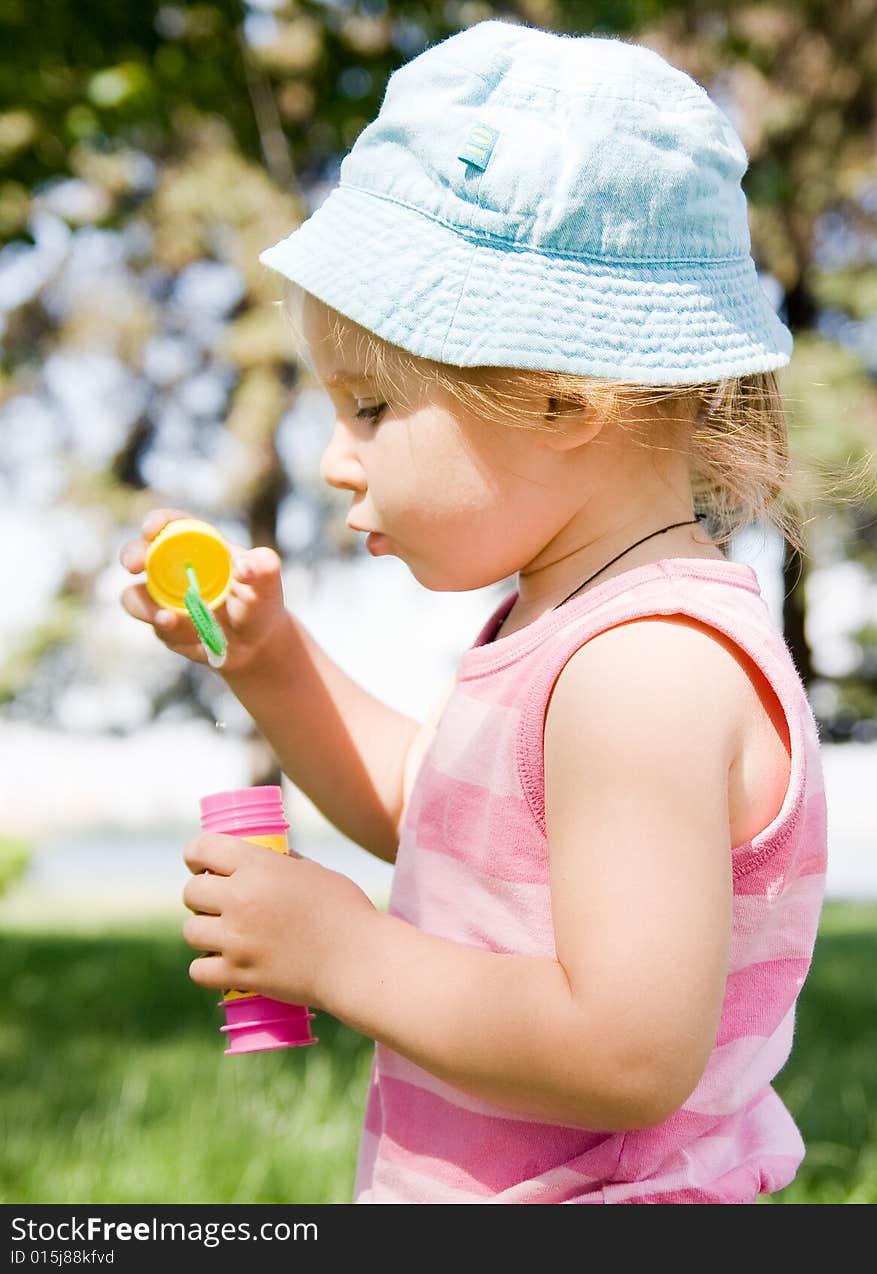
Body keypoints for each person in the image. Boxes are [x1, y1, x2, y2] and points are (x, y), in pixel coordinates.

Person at [120, 20, 829, 1203]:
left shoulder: (641, 670)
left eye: (373, 406)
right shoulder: (560, 629)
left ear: (562, 397)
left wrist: (342, 951)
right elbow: (434, 816)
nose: (336, 460)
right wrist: (271, 658)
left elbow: (625, 1049)